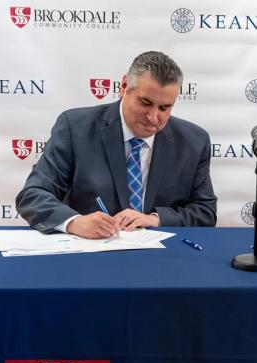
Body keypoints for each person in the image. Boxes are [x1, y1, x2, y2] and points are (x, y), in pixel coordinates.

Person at [16, 51, 216, 239]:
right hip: (89, 256)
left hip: (163, 261)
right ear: (123, 87)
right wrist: (75, 222)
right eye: (145, 102)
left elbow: (205, 213)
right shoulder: (76, 128)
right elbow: (33, 195)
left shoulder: (193, 142)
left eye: (164, 108)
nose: (153, 117)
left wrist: (156, 219)